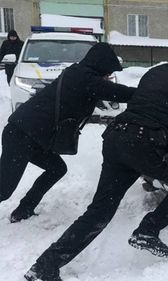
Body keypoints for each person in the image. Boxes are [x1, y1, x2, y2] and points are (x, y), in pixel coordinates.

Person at [25, 44, 168, 281]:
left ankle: (45, 266)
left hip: (118, 139)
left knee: (99, 212)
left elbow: (156, 102)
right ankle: (148, 230)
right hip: (145, 144)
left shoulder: (155, 73)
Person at [0, 43, 135, 224]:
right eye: (108, 72)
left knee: (57, 169)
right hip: (21, 134)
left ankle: (24, 209)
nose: (108, 77)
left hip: (33, 137)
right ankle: (23, 209)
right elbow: (120, 93)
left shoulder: (79, 74)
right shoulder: (85, 78)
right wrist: (150, 92)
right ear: (101, 65)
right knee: (4, 189)